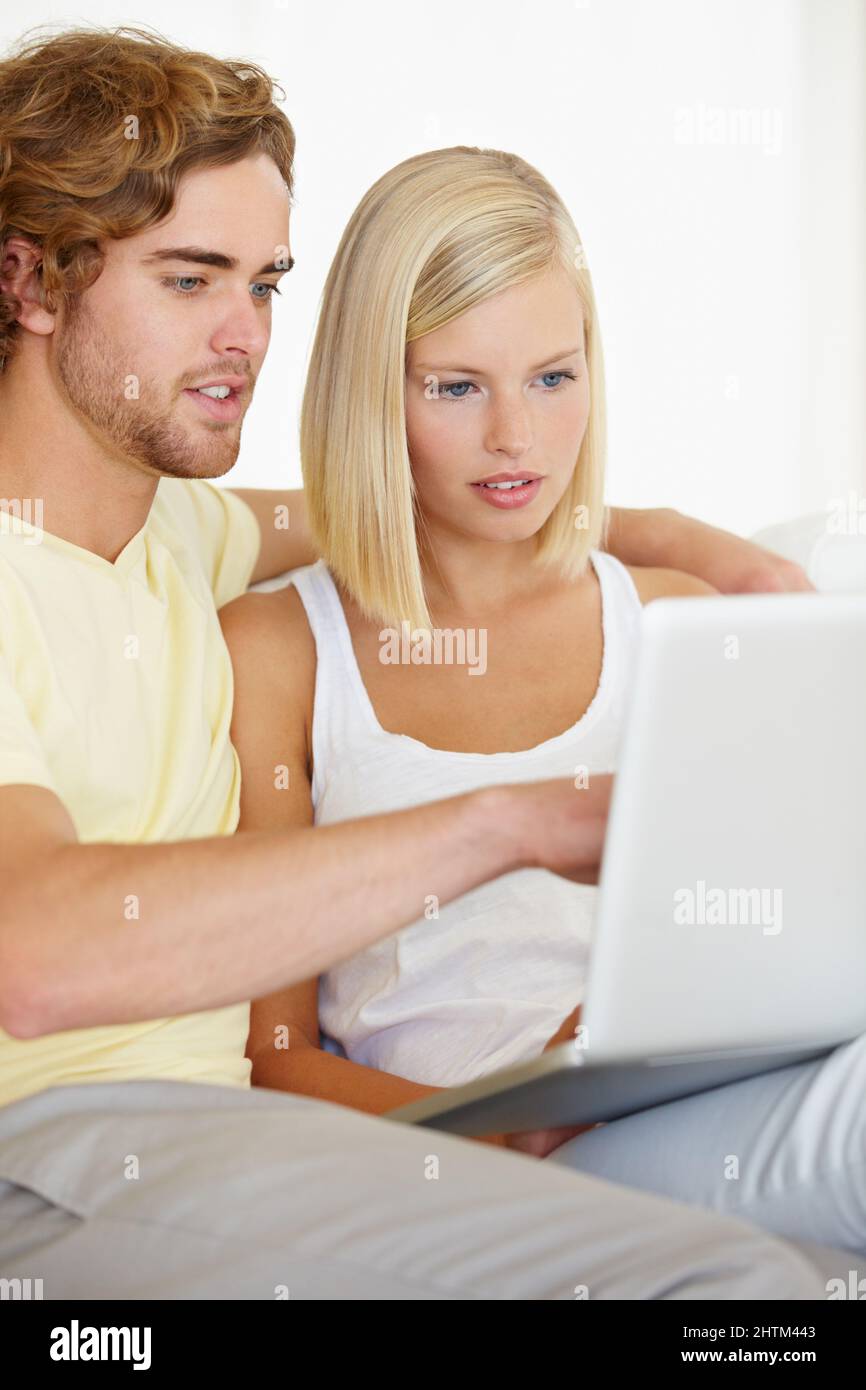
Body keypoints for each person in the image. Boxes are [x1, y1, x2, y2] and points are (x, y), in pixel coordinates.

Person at [0, 24, 832, 1300]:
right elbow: (38, 953)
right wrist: (502, 824)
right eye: (189, 280)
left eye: (263, 284)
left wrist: (669, 532)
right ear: (33, 284)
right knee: (723, 1286)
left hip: (238, 1146)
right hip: (60, 1151)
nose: (244, 337)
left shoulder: (179, 528)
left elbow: (413, 498)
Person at [219, 148, 866, 1269]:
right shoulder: (279, 651)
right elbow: (272, 1054)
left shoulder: (676, 616)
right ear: (373, 390)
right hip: (487, 1151)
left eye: (552, 379)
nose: (514, 438)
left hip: (699, 1091)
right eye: (456, 387)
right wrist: (497, 1135)